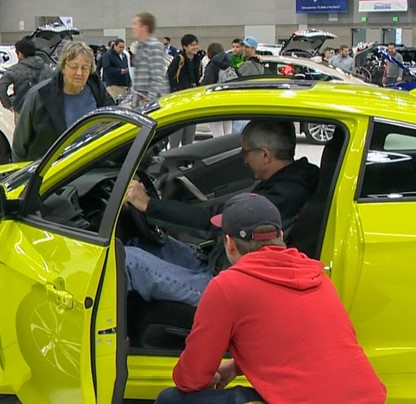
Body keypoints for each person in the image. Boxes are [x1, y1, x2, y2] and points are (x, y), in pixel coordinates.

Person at [151, 191, 386, 404]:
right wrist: (236, 366)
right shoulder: (317, 276)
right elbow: (306, 351)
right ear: (280, 237)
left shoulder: (228, 287)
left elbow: (190, 379)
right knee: (306, 395)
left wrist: (211, 380)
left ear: (229, 244)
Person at [122, 119, 319, 306]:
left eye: (246, 151)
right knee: (140, 244)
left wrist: (148, 204)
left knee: (125, 259)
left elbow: (212, 220)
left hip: (225, 285)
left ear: (265, 155)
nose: (244, 159)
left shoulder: (281, 196)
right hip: (219, 263)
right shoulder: (292, 181)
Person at [12, 41, 114, 162]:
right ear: (63, 67)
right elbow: (20, 145)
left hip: (92, 172)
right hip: (52, 175)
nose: (79, 73)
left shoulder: (99, 94)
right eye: (74, 66)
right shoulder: (39, 96)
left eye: (85, 67)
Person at [0, 38, 55, 120]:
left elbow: (1, 86)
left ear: (20, 53)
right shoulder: (47, 68)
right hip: (44, 111)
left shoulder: (15, 69)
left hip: (22, 110)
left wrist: (8, 104)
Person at [166, 34, 205, 147]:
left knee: (189, 137)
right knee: (176, 136)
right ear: (185, 47)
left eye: (196, 44)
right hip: (179, 101)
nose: (195, 47)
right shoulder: (179, 59)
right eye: (192, 45)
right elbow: (169, 77)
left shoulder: (198, 60)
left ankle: (186, 162)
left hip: (192, 101)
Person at [128, 12, 169, 107]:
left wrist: (149, 102)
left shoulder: (154, 46)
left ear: (144, 27)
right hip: (140, 101)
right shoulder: (140, 47)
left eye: (135, 24)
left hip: (150, 103)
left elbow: (157, 77)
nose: (132, 27)